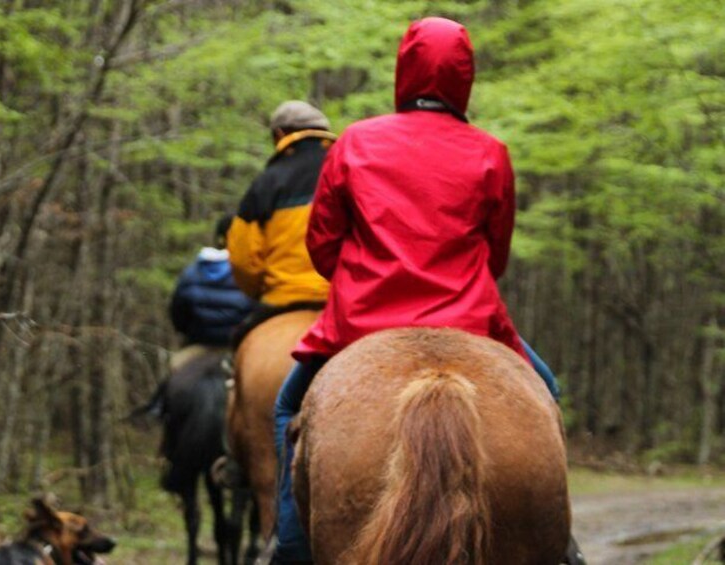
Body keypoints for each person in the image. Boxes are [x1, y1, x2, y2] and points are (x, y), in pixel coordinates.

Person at [270, 17, 580, 564]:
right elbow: (497, 254)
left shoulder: (356, 141)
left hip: (362, 323)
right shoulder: (491, 152)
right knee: (545, 393)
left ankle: (290, 547)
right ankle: (563, 547)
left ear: (404, 70)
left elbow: (323, 246)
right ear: (465, 77)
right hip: (470, 320)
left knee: (287, 407)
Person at [226, 101, 337, 345]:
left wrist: (258, 290)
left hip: (284, 298)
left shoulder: (267, 182)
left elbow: (243, 260)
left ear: (279, 134)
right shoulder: (349, 169)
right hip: (342, 302)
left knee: (238, 346)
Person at [168, 213, 253, 371]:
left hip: (199, 347)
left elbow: (178, 317)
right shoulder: (248, 272)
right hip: (238, 349)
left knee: (173, 376)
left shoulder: (191, 273)